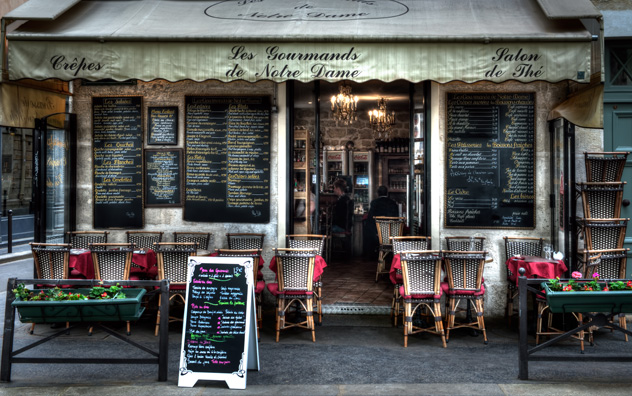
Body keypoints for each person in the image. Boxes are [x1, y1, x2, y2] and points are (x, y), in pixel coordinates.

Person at [364, 185, 399, 256]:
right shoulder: (393, 203)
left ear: (378, 193)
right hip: (392, 234)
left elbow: (370, 219)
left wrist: (375, 232)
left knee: (368, 226)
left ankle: (370, 253)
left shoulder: (374, 203)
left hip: (377, 234)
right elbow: (396, 219)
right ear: (387, 193)